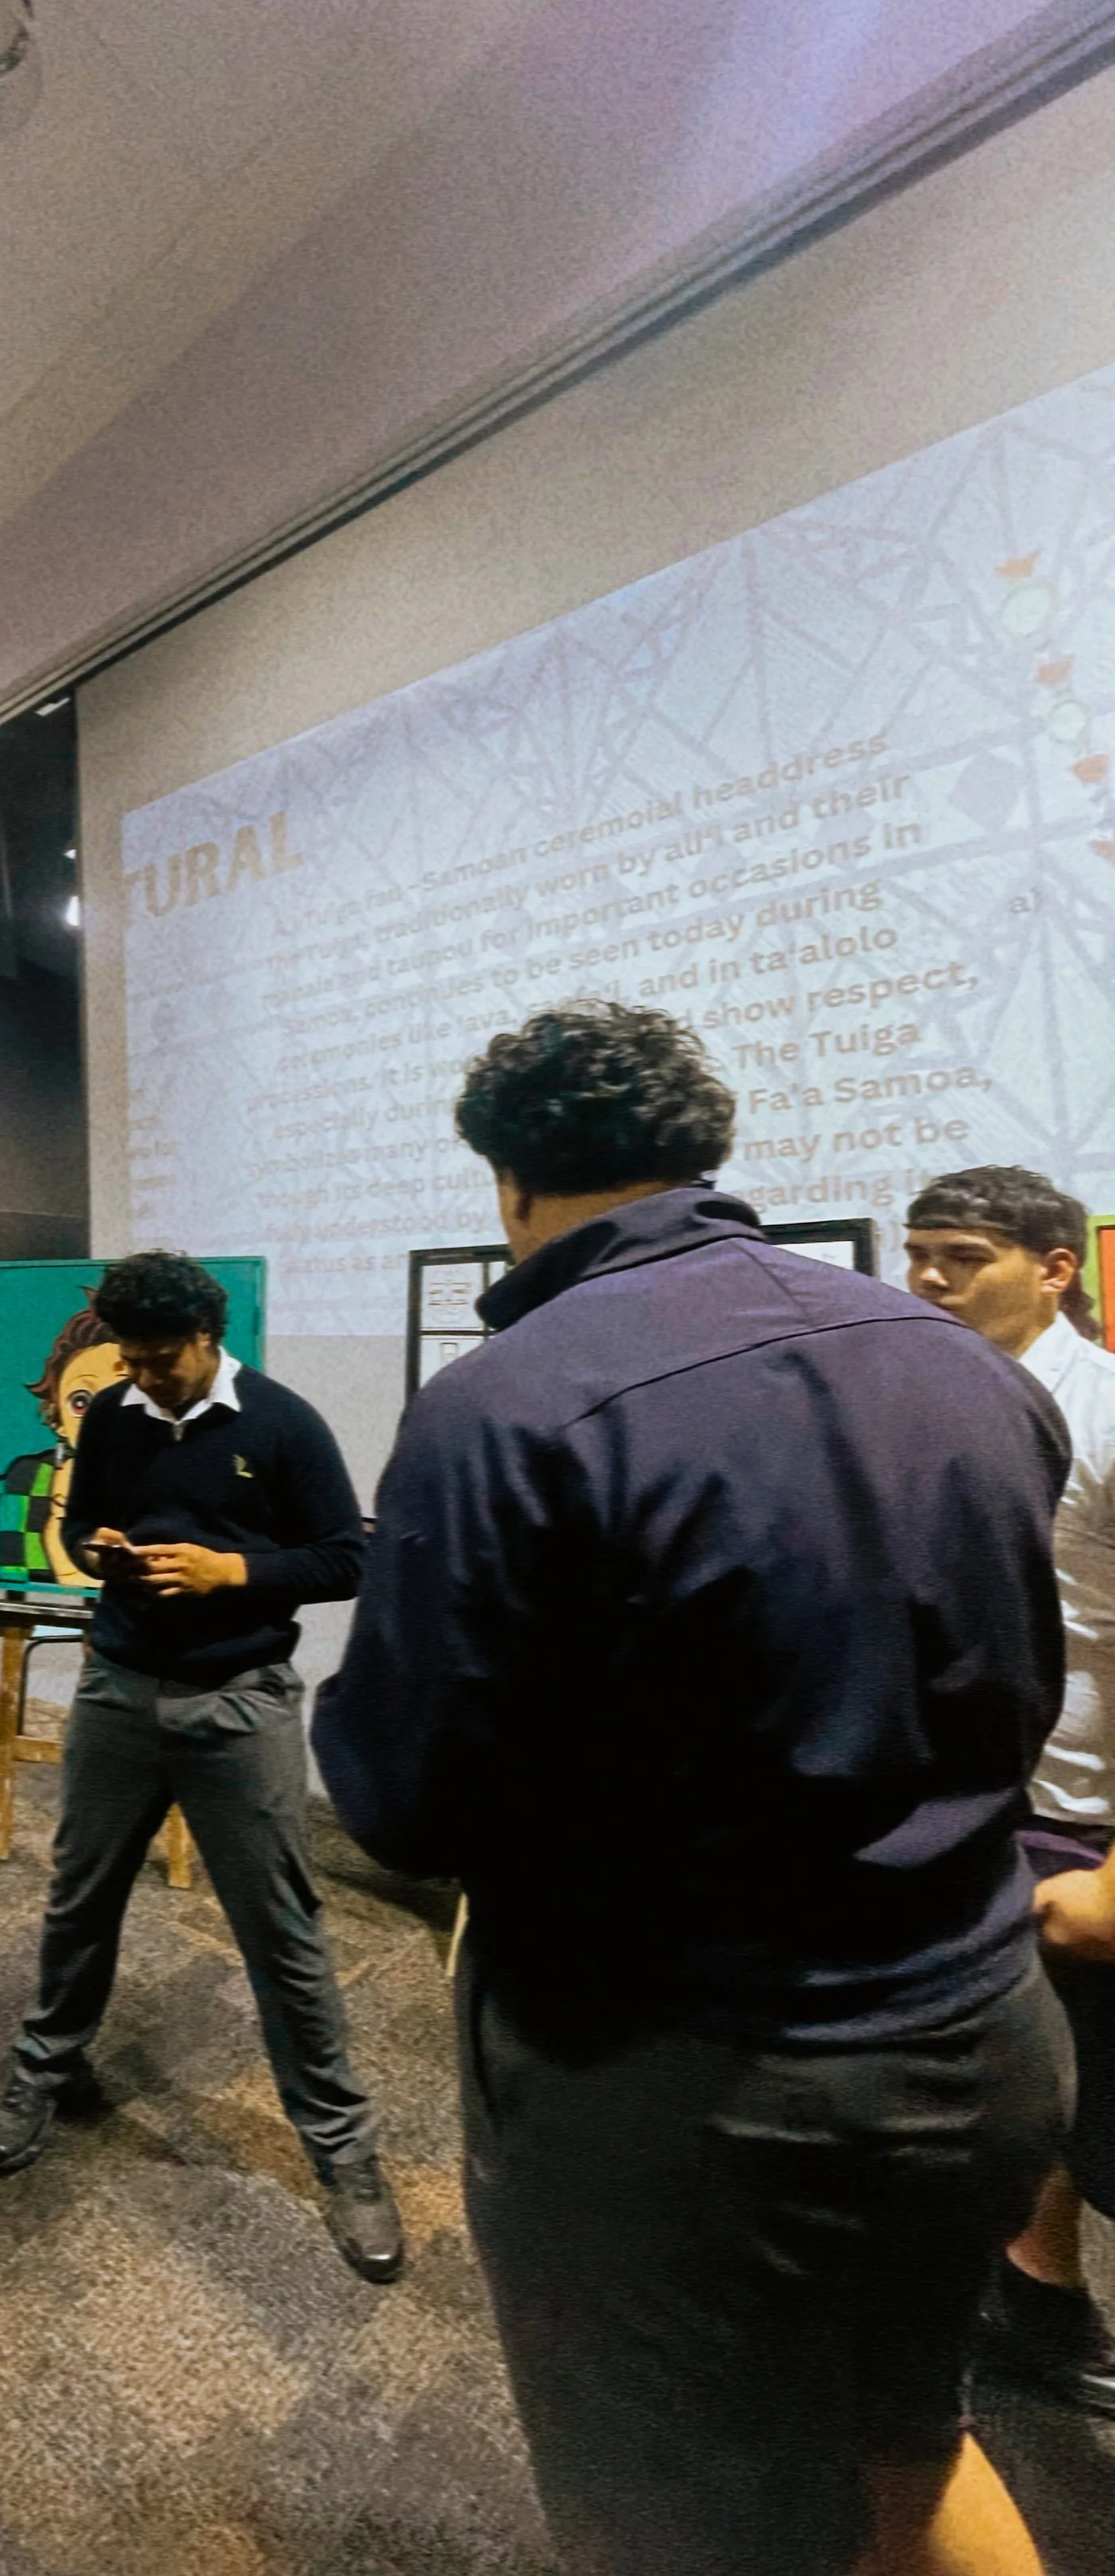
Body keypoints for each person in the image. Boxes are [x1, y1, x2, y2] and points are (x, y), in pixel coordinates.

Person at [314, 1003, 1072, 2576]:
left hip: (684, 2095)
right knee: (905, 2437)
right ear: (705, 1152)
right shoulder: (965, 1368)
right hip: (978, 2031)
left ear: (506, 1180)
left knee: (667, 2521)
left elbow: (401, 1797)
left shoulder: (502, 1403)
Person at [0, 1247, 405, 2282]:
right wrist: (101, 1550)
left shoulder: (283, 1423)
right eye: (129, 1358)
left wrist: (233, 1571)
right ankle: (46, 2071)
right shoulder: (116, 1414)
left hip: (238, 1701)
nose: (142, 1375)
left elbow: (347, 1555)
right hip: (118, 1689)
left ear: (209, 1341)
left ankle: (343, 2154)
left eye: (160, 1359)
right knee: (78, 1900)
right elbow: (76, 1526)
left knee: (282, 1934)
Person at [904, 1166, 1115, 2415]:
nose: (928, 1277)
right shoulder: (920, 1399)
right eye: (919, 1253)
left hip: (1085, 1812)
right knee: (1014, 2082)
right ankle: (1036, 2300)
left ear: (1054, 1267)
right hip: (974, 1795)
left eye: (961, 1256)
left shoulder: (1106, 1415)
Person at [0, 1303, 125, 1585]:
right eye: (81, 1402)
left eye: (123, 1397)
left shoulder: (175, 1481)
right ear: (58, 1417)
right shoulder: (23, 1481)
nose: (103, 1417)